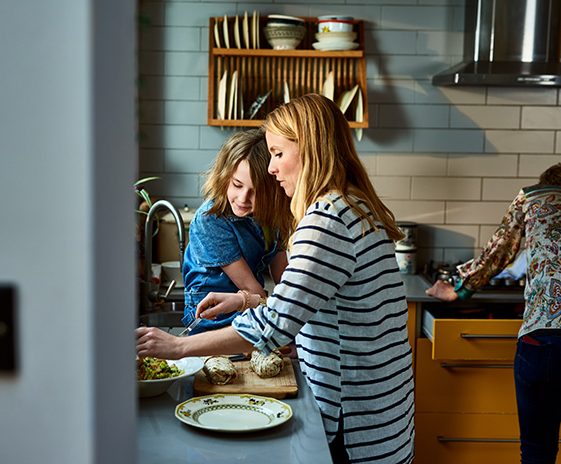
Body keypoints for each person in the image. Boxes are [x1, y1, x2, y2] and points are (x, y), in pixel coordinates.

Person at [137, 94, 415, 463]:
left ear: (311, 150)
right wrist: (245, 301)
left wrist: (177, 348)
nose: (271, 168)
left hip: (355, 422)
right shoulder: (355, 205)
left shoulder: (326, 220)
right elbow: (304, 303)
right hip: (383, 412)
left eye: (278, 153)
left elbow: (274, 327)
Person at [426, 163, 561, 464]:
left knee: (536, 451)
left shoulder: (532, 197)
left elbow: (499, 250)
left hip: (542, 338)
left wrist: (459, 290)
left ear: (549, 183)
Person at [181, 129, 292, 333]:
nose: (242, 199)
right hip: (210, 319)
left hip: (250, 309)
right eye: (237, 185)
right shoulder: (210, 220)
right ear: (224, 177)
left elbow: (286, 283)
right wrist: (283, 310)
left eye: (255, 192)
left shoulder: (273, 217)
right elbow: (253, 290)